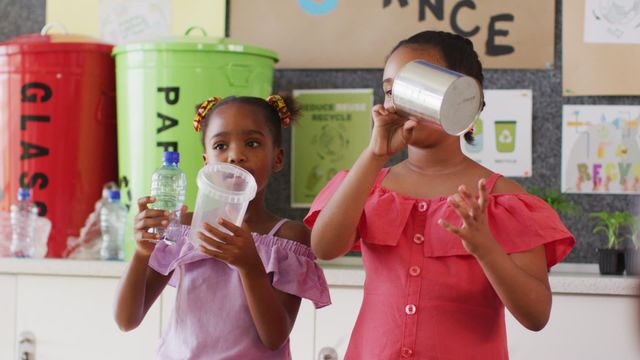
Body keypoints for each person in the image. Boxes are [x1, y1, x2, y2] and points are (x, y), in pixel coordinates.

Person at [305, 31, 575, 359]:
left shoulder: (504, 201)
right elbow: (324, 247)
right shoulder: (369, 184)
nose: (399, 103)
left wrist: (486, 249)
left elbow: (536, 315)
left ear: (464, 97)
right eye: (391, 91)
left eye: (415, 88)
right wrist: (374, 154)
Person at [114, 95, 331, 359]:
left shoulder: (288, 239)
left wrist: (249, 266)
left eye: (252, 143)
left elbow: (275, 338)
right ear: (206, 160)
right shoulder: (184, 228)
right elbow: (126, 320)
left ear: (278, 158)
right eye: (220, 145)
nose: (235, 156)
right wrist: (141, 253)